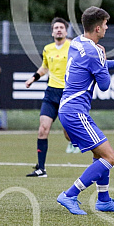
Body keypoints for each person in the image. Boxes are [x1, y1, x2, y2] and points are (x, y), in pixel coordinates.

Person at [56, 6, 114, 215]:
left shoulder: (77, 42)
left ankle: (103, 199)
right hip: (76, 112)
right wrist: (103, 59)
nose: (107, 28)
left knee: (99, 154)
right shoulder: (94, 52)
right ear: (97, 28)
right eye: (105, 25)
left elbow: (93, 63)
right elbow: (104, 84)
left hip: (67, 108)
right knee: (110, 157)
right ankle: (70, 194)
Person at [25, 17, 74, 177]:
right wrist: (33, 78)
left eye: (61, 27)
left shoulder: (73, 46)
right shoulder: (48, 49)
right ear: (52, 32)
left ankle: (88, 147)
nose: (59, 30)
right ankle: (41, 169)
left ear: (66, 31)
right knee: (42, 129)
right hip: (51, 93)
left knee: (68, 135)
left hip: (67, 94)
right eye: (56, 28)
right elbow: (45, 67)